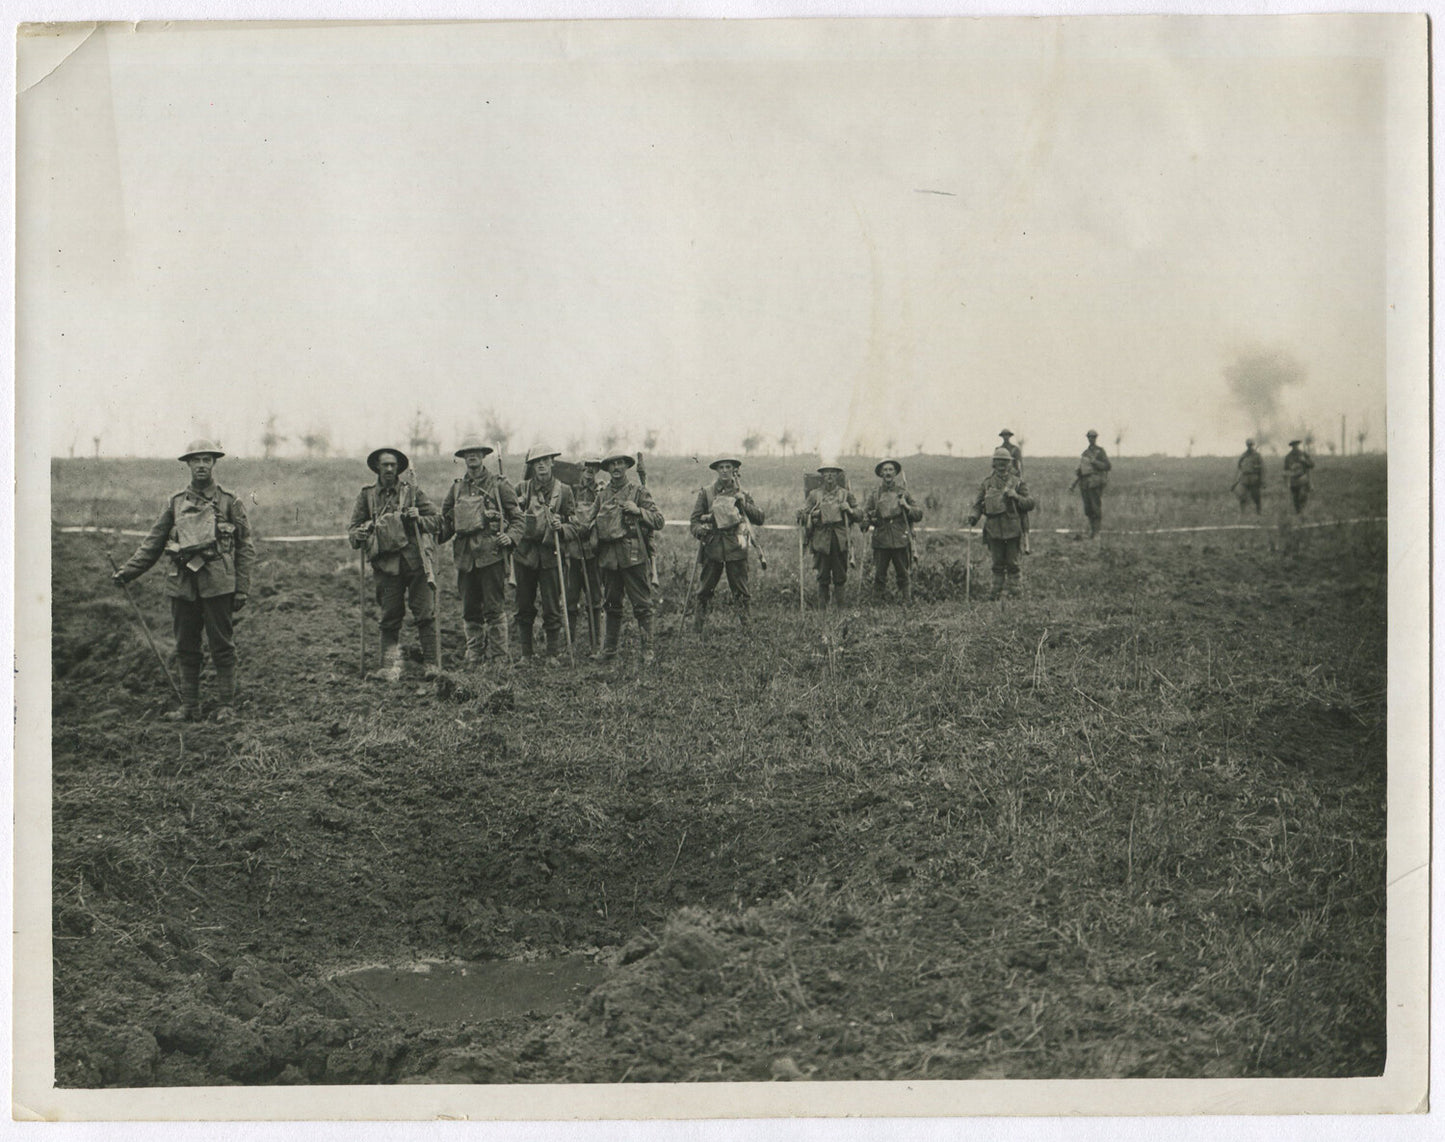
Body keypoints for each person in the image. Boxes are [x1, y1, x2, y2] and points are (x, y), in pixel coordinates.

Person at [111, 439, 255, 722]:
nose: (201, 465)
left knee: (222, 646)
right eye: (196, 460)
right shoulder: (175, 503)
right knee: (185, 647)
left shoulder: (229, 502)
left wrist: (242, 588)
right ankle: (190, 706)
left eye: (206, 460)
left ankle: (226, 705)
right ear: (188, 464)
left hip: (218, 585)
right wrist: (127, 571)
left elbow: (245, 546)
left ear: (213, 464)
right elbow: (153, 544)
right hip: (183, 585)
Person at [347, 448, 442, 683]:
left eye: (393, 465)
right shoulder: (367, 497)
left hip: (416, 562)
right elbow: (353, 531)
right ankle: (388, 667)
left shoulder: (413, 493)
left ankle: (432, 664)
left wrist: (418, 517)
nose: (389, 469)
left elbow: (438, 521)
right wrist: (361, 532)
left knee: (425, 614)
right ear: (377, 468)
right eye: (384, 465)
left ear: (398, 468)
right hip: (386, 567)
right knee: (389, 616)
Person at [440, 436, 520, 666]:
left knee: (494, 609)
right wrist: (429, 532)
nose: (472, 455)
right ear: (463, 457)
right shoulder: (456, 489)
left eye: (476, 452)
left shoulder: (499, 485)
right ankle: (474, 654)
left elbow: (518, 518)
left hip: (490, 555)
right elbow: (446, 523)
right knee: (469, 610)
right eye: (467, 452)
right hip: (465, 558)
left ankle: (498, 657)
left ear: (483, 455)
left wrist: (511, 537)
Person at [581, 450, 665, 664]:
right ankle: (608, 651)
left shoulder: (638, 492)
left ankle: (648, 651)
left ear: (627, 467)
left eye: (620, 464)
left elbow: (658, 521)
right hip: (609, 558)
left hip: (633, 555)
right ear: (607, 469)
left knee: (642, 605)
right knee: (611, 604)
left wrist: (638, 511)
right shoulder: (602, 495)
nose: (616, 468)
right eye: (612, 465)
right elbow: (587, 521)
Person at [513, 444, 578, 665]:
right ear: (532, 466)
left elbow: (575, 524)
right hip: (525, 555)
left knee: (552, 605)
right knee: (523, 604)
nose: (541, 465)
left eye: (545, 460)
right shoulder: (521, 489)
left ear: (552, 462)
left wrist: (563, 527)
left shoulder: (565, 491)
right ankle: (526, 654)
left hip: (552, 554)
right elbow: (509, 518)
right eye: (536, 462)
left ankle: (552, 653)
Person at [689, 456, 765, 631]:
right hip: (712, 546)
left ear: (734, 470)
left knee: (741, 592)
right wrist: (701, 531)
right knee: (704, 591)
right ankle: (697, 631)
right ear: (716, 470)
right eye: (721, 467)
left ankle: (747, 632)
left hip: (736, 547)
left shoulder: (742, 493)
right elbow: (693, 522)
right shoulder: (706, 493)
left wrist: (744, 504)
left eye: (728, 467)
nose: (724, 470)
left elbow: (760, 518)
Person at [967, 447, 1036, 599]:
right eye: (998, 461)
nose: (1001, 464)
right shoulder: (987, 484)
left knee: (1013, 563)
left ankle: (1015, 592)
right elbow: (978, 504)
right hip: (993, 530)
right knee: (997, 563)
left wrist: (1016, 496)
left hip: (1013, 529)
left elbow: (1030, 503)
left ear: (1010, 464)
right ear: (994, 463)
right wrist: (973, 516)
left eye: (1005, 461)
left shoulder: (1017, 483)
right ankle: (995, 592)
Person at [863, 458, 923, 603]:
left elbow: (918, 514)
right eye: (885, 470)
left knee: (903, 573)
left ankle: (907, 603)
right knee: (879, 575)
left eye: (890, 470)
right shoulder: (875, 494)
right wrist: (866, 521)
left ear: (895, 473)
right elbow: (864, 514)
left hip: (899, 539)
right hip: (881, 539)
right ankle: (876, 604)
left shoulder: (904, 493)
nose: (888, 473)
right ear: (881, 474)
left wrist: (906, 506)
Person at [800, 465, 860, 608]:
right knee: (823, 577)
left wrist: (850, 510)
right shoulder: (814, 495)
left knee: (840, 576)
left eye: (833, 473)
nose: (829, 476)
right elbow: (803, 515)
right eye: (826, 473)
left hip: (840, 540)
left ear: (838, 475)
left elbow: (860, 515)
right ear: (822, 476)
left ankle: (841, 610)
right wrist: (810, 515)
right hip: (821, 540)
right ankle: (822, 611)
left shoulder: (845, 494)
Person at [564, 457, 604, 650]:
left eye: (593, 469)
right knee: (571, 598)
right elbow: (565, 513)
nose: (589, 472)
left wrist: (591, 527)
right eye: (586, 468)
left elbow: (603, 515)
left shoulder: (601, 492)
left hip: (593, 552)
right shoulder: (571, 490)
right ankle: (569, 644)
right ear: (580, 470)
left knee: (595, 599)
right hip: (572, 552)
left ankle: (596, 644)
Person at [1075, 430, 1112, 537]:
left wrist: (1094, 462)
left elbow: (1107, 466)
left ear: (1096, 438)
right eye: (1089, 437)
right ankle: (1092, 531)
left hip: (1095, 483)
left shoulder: (1100, 452)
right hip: (1085, 484)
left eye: (1093, 437)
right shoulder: (1085, 453)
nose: (1091, 439)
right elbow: (1082, 470)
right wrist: (1079, 470)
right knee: (1088, 508)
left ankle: (1097, 532)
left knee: (1096, 507)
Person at [1284, 439, 1314, 515]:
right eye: (1293, 446)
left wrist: (1304, 461)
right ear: (1291, 446)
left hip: (1303, 479)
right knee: (1295, 498)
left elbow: (1312, 465)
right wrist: (1287, 482)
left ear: (1298, 445)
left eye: (1296, 445)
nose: (1295, 447)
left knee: (1303, 496)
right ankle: (1298, 513)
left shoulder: (1304, 454)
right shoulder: (1288, 457)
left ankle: (1303, 512)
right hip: (1293, 480)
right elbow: (1286, 470)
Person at [1235, 439, 1264, 514]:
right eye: (1248, 445)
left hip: (1254, 478)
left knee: (1256, 496)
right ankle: (1243, 513)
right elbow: (1239, 466)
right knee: (1242, 496)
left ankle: (1259, 513)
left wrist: (1261, 480)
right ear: (1246, 445)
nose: (1250, 447)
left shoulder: (1257, 455)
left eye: (1251, 445)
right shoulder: (1244, 455)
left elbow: (1262, 468)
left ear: (1253, 445)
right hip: (1244, 478)